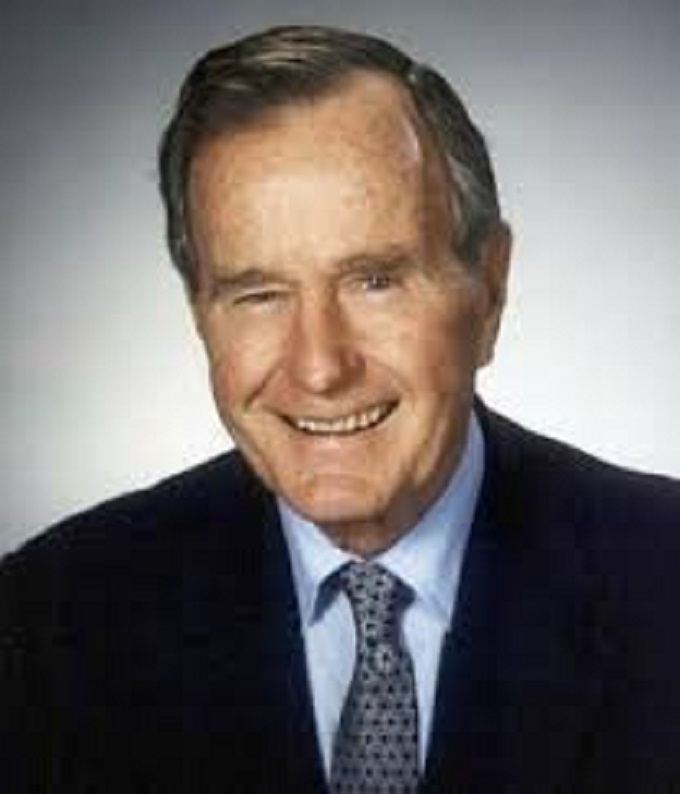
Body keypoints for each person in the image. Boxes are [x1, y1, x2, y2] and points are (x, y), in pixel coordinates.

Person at [1, 25, 679, 793]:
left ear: (489, 288)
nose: (320, 367)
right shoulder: (50, 619)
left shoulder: (663, 576)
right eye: (259, 294)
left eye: (375, 281)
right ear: (200, 315)